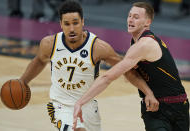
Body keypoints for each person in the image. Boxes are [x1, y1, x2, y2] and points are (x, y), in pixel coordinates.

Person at [19, 0, 158, 131]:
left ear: (83, 22)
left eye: (76, 23)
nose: (72, 28)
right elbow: (39, 61)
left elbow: (127, 70)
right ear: (61, 24)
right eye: (67, 24)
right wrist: (22, 82)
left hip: (88, 106)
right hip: (61, 105)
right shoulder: (50, 44)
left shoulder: (98, 47)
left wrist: (148, 92)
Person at [73, 2, 189, 131]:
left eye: (136, 17)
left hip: (177, 106)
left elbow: (107, 77)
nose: (130, 20)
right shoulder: (135, 42)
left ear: (147, 22)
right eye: (129, 16)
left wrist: (80, 102)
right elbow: (130, 74)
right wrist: (148, 92)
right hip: (155, 107)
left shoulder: (144, 45)